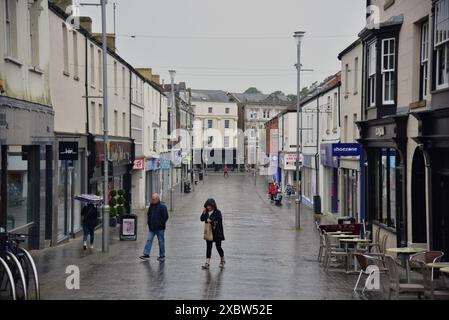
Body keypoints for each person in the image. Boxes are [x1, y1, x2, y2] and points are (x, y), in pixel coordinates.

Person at [140, 193, 169, 262]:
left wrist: (161, 224)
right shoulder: (151, 206)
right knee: (149, 240)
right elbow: (149, 214)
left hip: (160, 228)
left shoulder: (162, 206)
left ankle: (162, 255)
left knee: (161, 241)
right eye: (152, 199)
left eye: (154, 199)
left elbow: (166, 216)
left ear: (158, 199)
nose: (152, 200)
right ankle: (146, 254)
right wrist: (149, 223)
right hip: (152, 228)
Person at [200, 199, 225, 270]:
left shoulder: (218, 212)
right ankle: (207, 263)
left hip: (217, 233)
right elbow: (201, 219)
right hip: (209, 232)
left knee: (218, 247)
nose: (208, 207)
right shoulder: (206, 212)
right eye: (207, 206)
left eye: (209, 206)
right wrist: (204, 213)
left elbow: (218, 221)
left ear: (213, 205)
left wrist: (210, 221)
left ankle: (222, 260)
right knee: (208, 247)